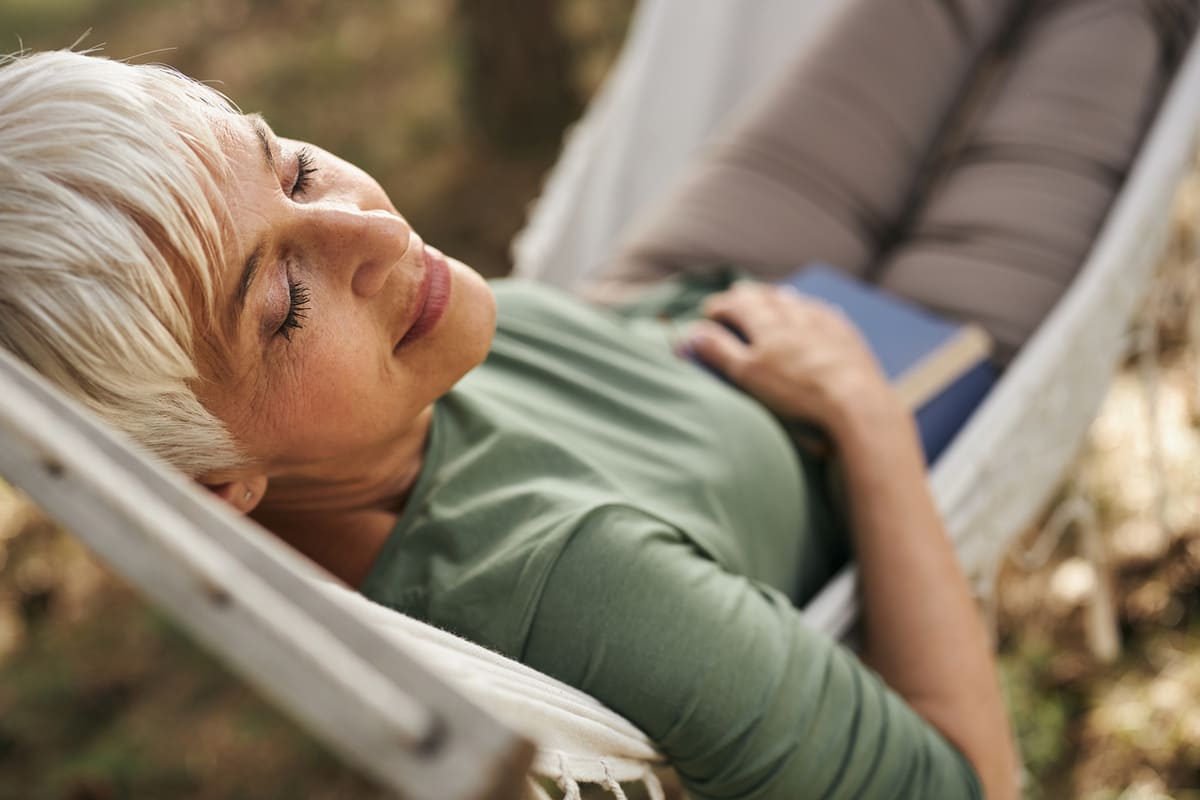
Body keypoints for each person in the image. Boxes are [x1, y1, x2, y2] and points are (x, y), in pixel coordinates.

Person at [0, 1, 1187, 796]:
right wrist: (865, 418)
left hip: (667, 293)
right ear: (214, 485)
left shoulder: (382, 381)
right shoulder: (572, 588)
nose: (367, 227)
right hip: (876, 370)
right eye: (282, 305)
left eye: (294, 165)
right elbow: (961, 779)